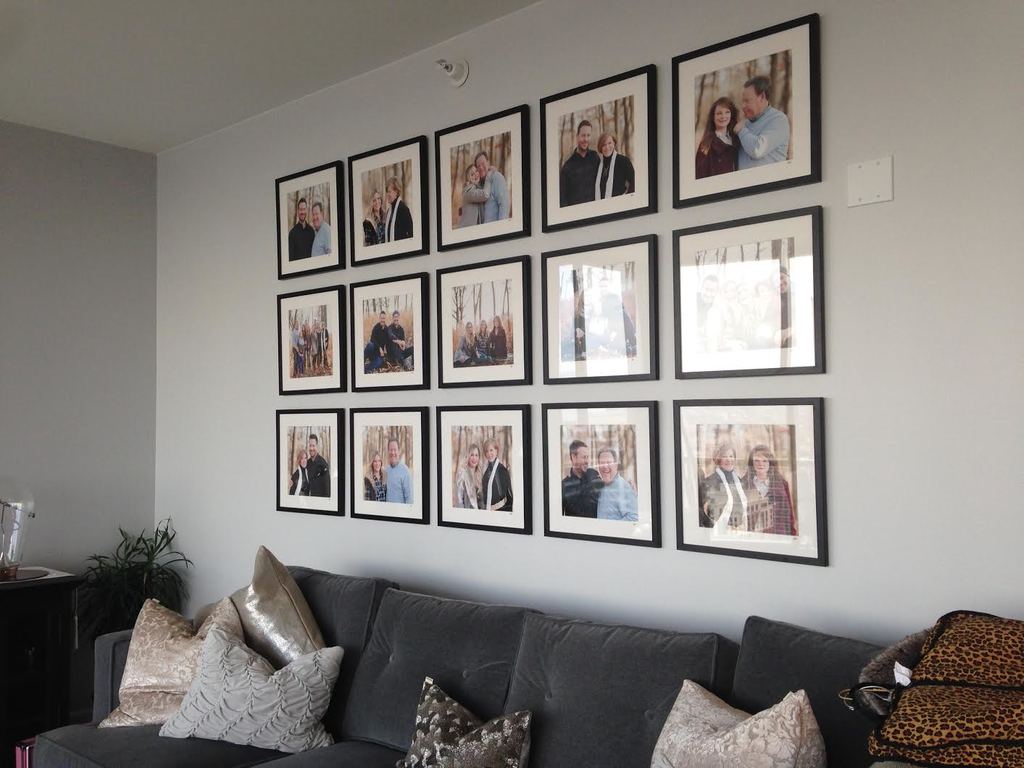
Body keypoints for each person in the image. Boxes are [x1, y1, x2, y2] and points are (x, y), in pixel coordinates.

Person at [735, 76, 790, 170]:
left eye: (747, 101)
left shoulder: (779, 119)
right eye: (743, 101)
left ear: (762, 97)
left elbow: (757, 150)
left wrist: (741, 130)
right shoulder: (744, 123)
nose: (743, 106)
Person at [742, 445, 796, 535]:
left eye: (764, 461)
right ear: (752, 463)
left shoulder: (782, 484)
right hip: (752, 536)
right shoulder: (743, 485)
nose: (761, 464)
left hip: (777, 535)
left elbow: (789, 515)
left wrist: (793, 536)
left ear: (770, 463)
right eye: (757, 461)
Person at [698, 442, 747, 532]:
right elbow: (707, 513)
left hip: (740, 531)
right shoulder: (710, 482)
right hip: (720, 533)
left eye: (731, 456)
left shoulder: (739, 481)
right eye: (724, 456)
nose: (729, 459)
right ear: (718, 459)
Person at [695, 97, 740, 178]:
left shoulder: (736, 139)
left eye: (727, 112)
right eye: (719, 113)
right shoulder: (707, 143)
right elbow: (700, 173)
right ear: (713, 117)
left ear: (731, 115)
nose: (723, 116)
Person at [559, 120, 599, 207]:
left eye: (588, 135)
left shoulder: (595, 158)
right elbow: (562, 199)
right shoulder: (567, 167)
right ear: (577, 136)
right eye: (583, 135)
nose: (586, 139)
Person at [594, 447, 638, 521]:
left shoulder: (624, 487)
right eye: (602, 463)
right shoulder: (600, 485)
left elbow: (634, 517)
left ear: (616, 465)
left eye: (609, 462)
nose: (605, 466)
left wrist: (610, 526)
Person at [561, 439, 599, 518]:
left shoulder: (594, 475)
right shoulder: (563, 486)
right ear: (573, 457)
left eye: (587, 457)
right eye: (584, 457)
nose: (587, 461)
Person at [594, 133, 635, 199]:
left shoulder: (623, 161)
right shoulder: (598, 165)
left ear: (614, 143)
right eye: (604, 145)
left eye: (609, 143)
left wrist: (626, 198)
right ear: (600, 148)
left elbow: (634, 182)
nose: (607, 147)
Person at [474, 152, 509, 223]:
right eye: (478, 166)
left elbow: (504, 204)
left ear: (488, 163)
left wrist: (502, 226)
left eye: (483, 163)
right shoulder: (479, 184)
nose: (481, 167)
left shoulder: (497, 177)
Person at [480, 439, 512, 511]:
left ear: (496, 451)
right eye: (486, 451)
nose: (489, 453)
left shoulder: (502, 470)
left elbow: (507, 493)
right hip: (489, 510)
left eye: (491, 450)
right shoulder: (486, 472)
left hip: (502, 510)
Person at [383, 177, 413, 241]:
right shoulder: (389, 211)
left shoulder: (403, 209)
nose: (387, 194)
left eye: (389, 192)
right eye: (387, 192)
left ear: (396, 192)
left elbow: (410, 234)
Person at [454, 443, 483, 509]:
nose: (474, 458)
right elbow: (459, 499)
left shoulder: (479, 475)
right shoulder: (462, 474)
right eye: (472, 455)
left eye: (476, 455)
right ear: (468, 456)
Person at [385, 438, 412, 503]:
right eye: (391, 450)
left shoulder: (405, 471)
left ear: (399, 451)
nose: (393, 452)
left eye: (395, 450)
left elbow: (409, 499)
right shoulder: (386, 471)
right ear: (388, 451)